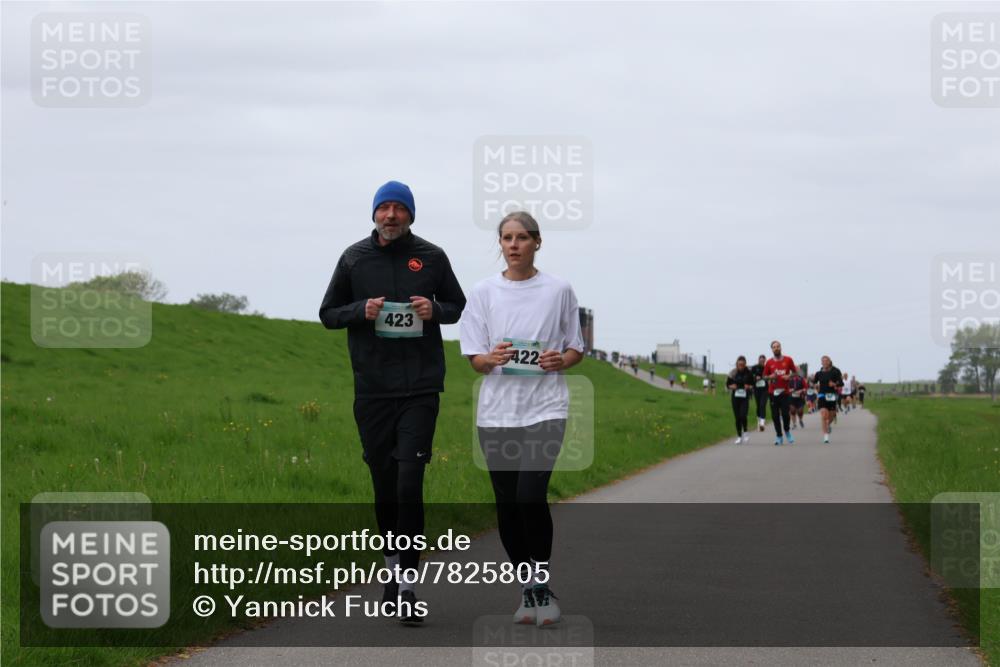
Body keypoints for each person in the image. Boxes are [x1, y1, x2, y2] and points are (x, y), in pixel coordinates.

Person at [319, 180, 466, 624]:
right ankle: (391, 567)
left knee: (408, 483)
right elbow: (327, 314)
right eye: (383, 208)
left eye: (399, 209)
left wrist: (434, 311)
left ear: (411, 215)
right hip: (373, 389)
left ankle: (407, 585)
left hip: (421, 386)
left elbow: (458, 305)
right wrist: (358, 310)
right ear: (373, 215)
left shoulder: (434, 257)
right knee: (384, 485)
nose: (391, 216)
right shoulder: (353, 258)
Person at [459, 211, 584, 628]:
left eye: (522, 238)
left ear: (537, 242)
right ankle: (528, 588)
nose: (513, 245)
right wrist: (490, 358)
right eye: (507, 238)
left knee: (531, 495)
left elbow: (575, 348)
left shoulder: (559, 290)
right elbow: (475, 359)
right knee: (508, 505)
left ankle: (543, 584)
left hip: (546, 408)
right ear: (500, 244)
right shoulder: (482, 292)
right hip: (496, 415)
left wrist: (558, 360)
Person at [763, 340, 798, 445]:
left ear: (781, 348)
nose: (776, 348)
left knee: (785, 415)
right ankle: (779, 435)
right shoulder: (769, 362)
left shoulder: (788, 360)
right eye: (774, 347)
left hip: (785, 392)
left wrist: (789, 376)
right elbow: (764, 377)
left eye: (778, 346)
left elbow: (796, 372)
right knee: (774, 416)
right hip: (773, 392)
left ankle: (787, 431)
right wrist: (770, 377)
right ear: (772, 349)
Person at [812, 356, 843, 443]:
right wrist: (815, 385)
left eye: (826, 361)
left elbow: (841, 383)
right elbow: (813, 382)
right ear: (821, 363)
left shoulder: (835, 371)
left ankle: (828, 424)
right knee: (824, 415)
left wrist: (834, 384)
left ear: (830, 362)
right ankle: (826, 436)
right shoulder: (818, 373)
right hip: (822, 395)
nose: (824, 362)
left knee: (831, 416)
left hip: (831, 395)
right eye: (823, 361)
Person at [726, 356, 755, 444]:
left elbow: (753, 385)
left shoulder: (749, 373)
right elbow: (727, 384)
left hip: (745, 397)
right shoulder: (733, 372)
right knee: (737, 418)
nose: (741, 366)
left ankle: (745, 432)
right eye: (739, 364)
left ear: (745, 364)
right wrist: (732, 386)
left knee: (743, 415)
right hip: (735, 397)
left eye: (742, 364)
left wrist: (749, 386)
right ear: (737, 364)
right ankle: (739, 436)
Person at [750, 354, 768, 432]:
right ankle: (758, 421)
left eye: (763, 360)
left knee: (762, 405)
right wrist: (755, 378)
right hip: (757, 389)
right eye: (760, 360)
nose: (762, 362)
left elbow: (770, 376)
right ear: (758, 360)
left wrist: (765, 378)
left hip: (765, 389)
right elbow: (750, 377)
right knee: (758, 406)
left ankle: (762, 423)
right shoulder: (754, 368)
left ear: (765, 361)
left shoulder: (767, 368)